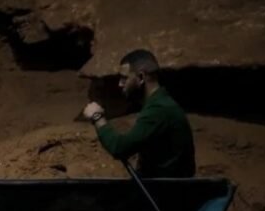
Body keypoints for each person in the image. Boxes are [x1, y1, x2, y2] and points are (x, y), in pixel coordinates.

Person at [81, 49, 196, 178]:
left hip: (166, 195)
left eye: (124, 78)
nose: (120, 84)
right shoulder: (160, 105)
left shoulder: (159, 110)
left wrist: (98, 117)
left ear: (141, 77)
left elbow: (119, 148)